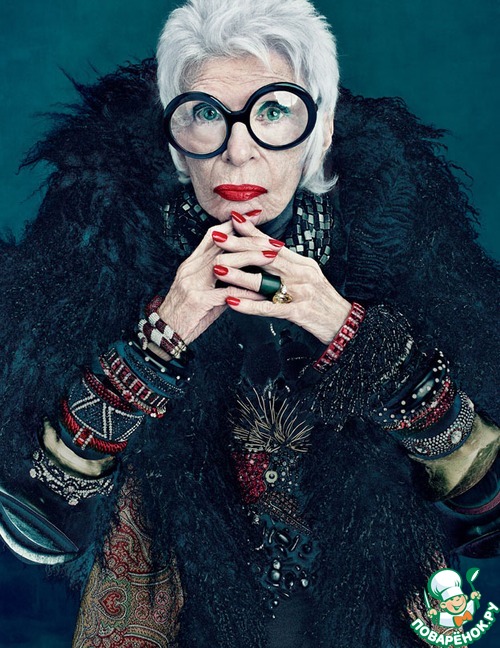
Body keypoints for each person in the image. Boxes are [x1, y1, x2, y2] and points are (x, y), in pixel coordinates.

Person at [0, 0, 498, 646]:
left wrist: (350, 331)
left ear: (321, 132)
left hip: (373, 617)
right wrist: (158, 338)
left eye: (273, 111)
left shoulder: (403, 254)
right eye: (206, 114)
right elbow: (39, 523)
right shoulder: (100, 259)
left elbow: (483, 504)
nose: (238, 152)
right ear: (175, 139)